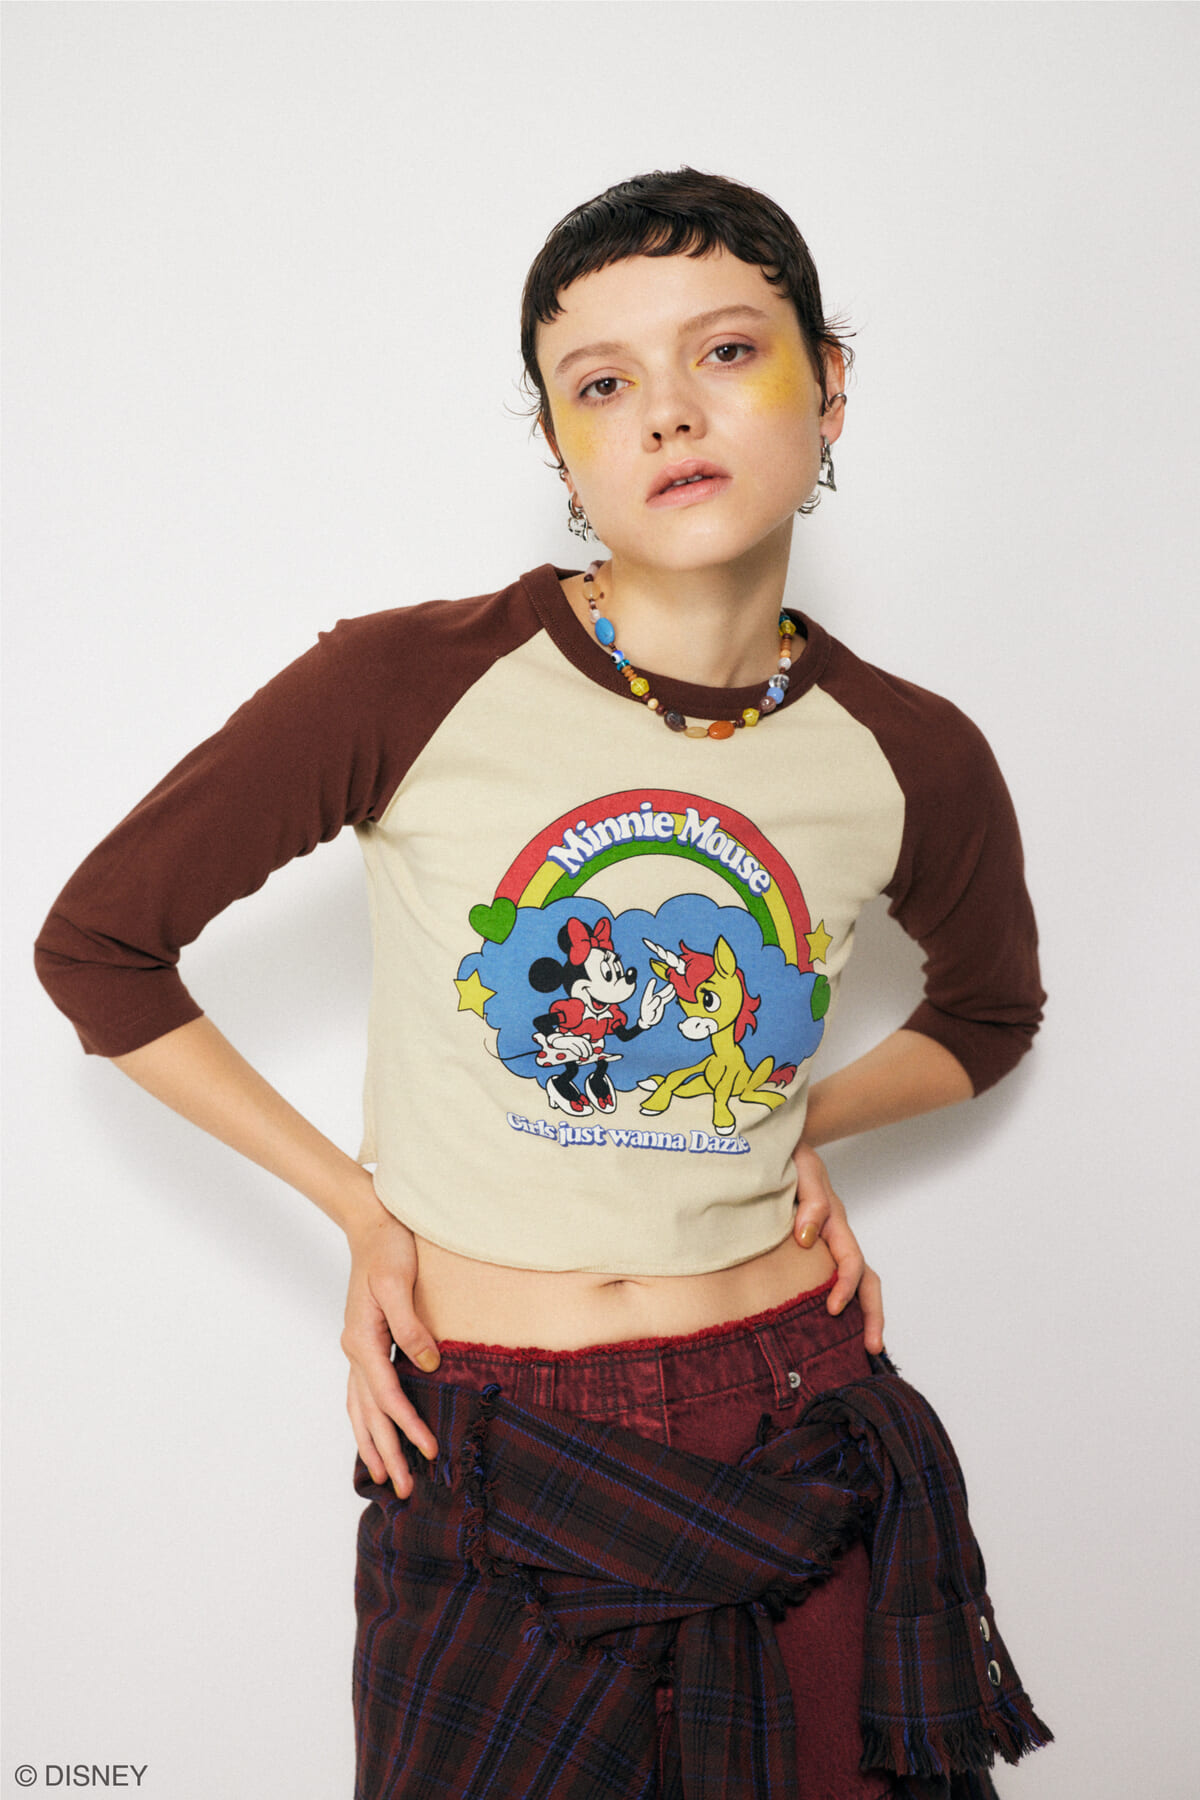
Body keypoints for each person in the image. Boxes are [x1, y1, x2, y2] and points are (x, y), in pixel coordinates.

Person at [35, 169, 1051, 1798]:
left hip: (798, 1418)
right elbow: (98, 949)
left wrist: (802, 1119)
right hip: (501, 1444)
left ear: (831, 387)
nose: (668, 412)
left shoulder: (910, 753)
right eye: (601, 383)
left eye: (728, 351)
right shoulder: (406, 683)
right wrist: (362, 1210)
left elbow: (991, 1016)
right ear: (560, 450)